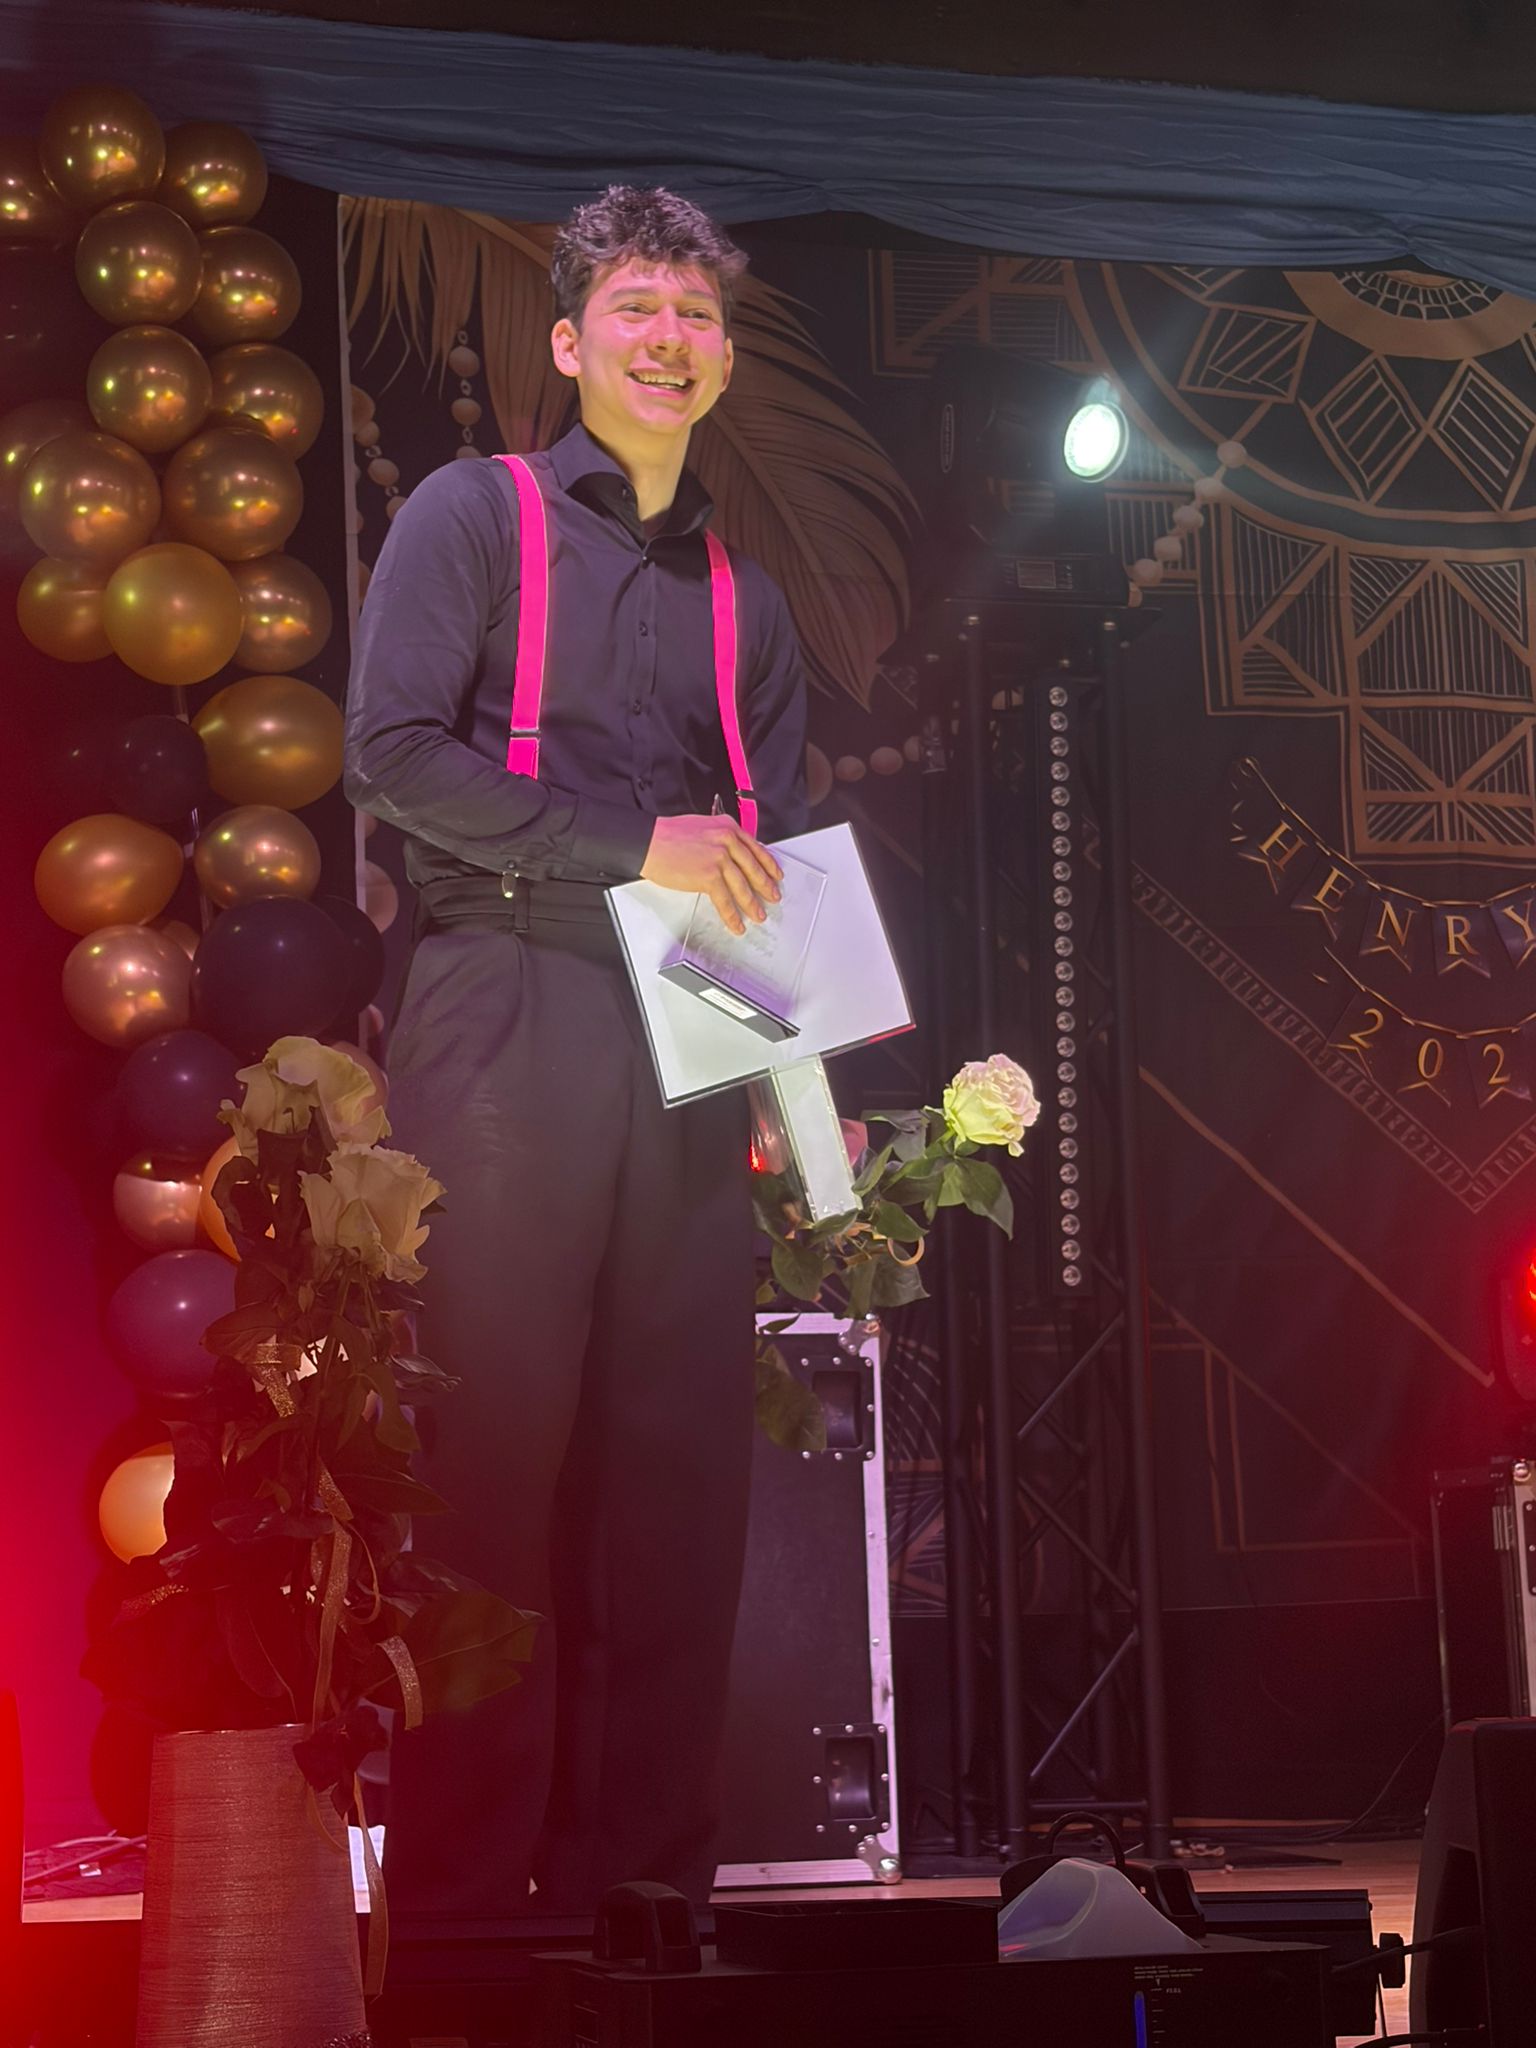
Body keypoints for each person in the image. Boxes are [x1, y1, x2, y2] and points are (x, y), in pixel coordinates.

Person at [343, 185, 808, 1931]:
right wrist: (634, 849)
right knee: (491, 1462)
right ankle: (466, 1918)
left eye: (696, 315)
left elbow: (770, 858)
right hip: (507, 993)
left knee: (677, 1475)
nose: (669, 339)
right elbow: (391, 753)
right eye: (636, 308)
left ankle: (646, 1900)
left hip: (690, 1019)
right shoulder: (478, 513)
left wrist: (796, 1087)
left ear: (724, 358)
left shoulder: (749, 600)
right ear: (570, 341)